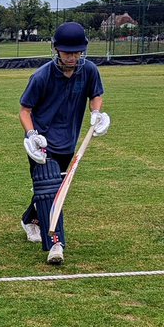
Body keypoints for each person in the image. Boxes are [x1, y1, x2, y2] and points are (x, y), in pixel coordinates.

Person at [19, 21, 110, 265]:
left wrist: (97, 113)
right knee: (50, 189)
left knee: (51, 189)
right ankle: (55, 245)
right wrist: (31, 136)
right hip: (42, 143)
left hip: (69, 143)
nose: (72, 57)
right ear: (56, 50)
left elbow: (96, 94)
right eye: (67, 52)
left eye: (76, 52)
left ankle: (30, 219)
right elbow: (25, 110)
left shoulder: (89, 70)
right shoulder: (41, 76)